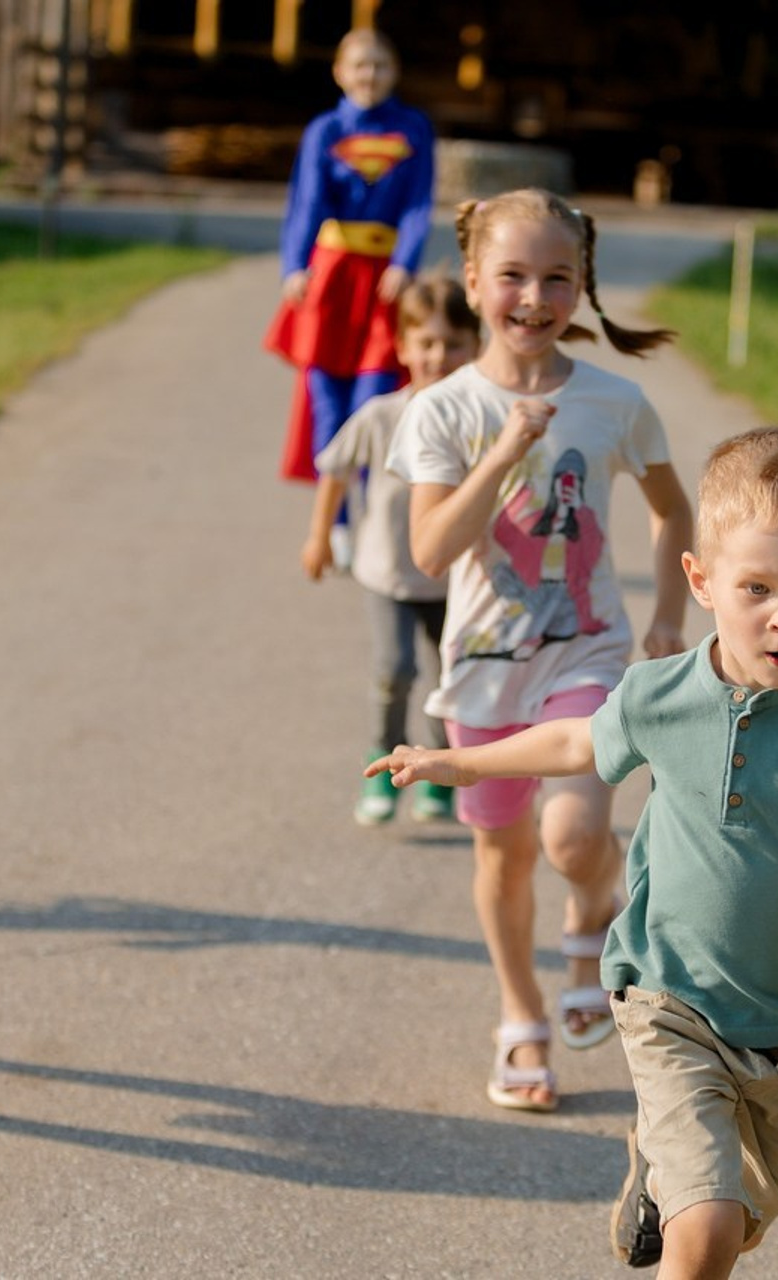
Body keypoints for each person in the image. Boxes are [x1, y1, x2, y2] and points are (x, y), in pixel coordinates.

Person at [368, 427, 778, 1274]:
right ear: (702, 583)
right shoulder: (661, 694)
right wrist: (456, 760)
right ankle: (677, 1184)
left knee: (728, 1230)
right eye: (758, 589)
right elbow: (571, 746)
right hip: (670, 999)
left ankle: (656, 1175)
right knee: (703, 1233)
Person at [384, 187, 694, 1113]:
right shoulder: (440, 411)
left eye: (558, 277)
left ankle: (594, 907)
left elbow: (672, 506)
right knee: (504, 857)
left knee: (573, 834)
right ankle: (520, 1014)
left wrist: (670, 616)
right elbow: (432, 550)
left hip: (586, 656)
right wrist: (505, 450)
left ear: (581, 286)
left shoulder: (613, 400)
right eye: (513, 275)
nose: (534, 296)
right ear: (474, 282)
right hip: (482, 671)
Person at [301, 274, 480, 826]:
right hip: (388, 576)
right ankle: (382, 759)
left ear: (476, 347)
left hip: (456, 582)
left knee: (450, 683)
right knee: (394, 670)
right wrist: (319, 536)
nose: (439, 356)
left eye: (453, 344)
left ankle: (440, 774)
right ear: (403, 347)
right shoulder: (382, 415)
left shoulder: (482, 420)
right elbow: (334, 470)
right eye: (425, 343)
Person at [262, 26, 435, 548]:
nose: (369, 76)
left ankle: (368, 513)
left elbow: (417, 204)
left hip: (384, 283)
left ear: (394, 73)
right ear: (340, 72)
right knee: (325, 399)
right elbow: (305, 203)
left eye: (380, 65)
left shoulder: (414, 130)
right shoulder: (324, 130)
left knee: (373, 398)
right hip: (331, 278)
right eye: (360, 65)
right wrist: (294, 265)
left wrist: (405, 261)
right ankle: (334, 522)